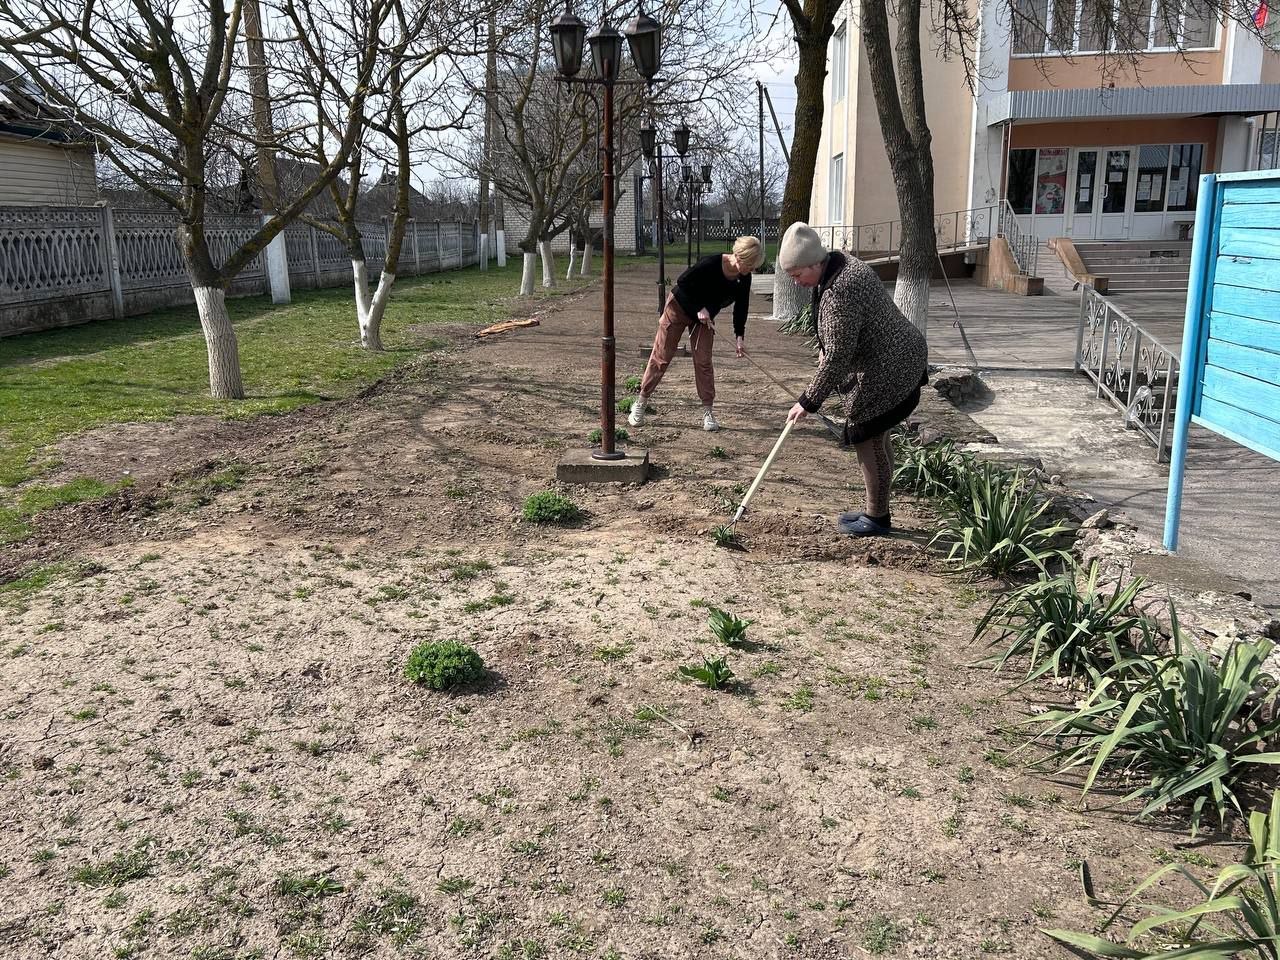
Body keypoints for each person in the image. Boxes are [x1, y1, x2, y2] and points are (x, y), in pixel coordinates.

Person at [780, 222, 928, 538]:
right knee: (879, 435)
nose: (796, 282)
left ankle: (876, 517)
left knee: (867, 436)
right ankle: (878, 511)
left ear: (814, 263)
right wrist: (827, 348)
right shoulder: (840, 263)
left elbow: (837, 358)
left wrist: (807, 401)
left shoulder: (840, 288)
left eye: (797, 275)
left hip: (889, 369)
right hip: (901, 357)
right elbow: (841, 338)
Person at [629, 235, 763, 432]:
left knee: (703, 361)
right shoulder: (711, 264)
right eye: (750, 266)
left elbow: (741, 307)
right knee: (662, 356)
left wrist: (739, 337)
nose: (751, 270)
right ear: (739, 257)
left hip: (704, 319)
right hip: (680, 307)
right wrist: (699, 307)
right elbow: (682, 282)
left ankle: (708, 412)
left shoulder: (744, 278)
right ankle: (640, 402)